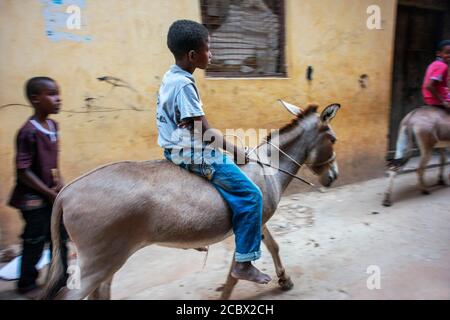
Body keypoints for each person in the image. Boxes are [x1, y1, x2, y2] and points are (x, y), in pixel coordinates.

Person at [156, 20, 271, 284]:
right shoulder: (185, 85)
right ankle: (244, 263)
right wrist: (237, 151)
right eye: (208, 49)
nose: (212, 54)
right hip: (191, 153)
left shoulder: (171, 76)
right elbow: (205, 132)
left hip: (172, 147)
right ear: (193, 56)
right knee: (251, 195)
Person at [8, 77, 69, 296]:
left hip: (51, 194)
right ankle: (27, 284)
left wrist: (61, 186)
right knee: (34, 241)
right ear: (35, 99)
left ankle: (60, 277)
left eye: (58, 93)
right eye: (52, 94)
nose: (58, 99)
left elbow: (53, 164)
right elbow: (23, 171)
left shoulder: (53, 126)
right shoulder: (28, 131)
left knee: (60, 237)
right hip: (32, 199)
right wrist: (46, 192)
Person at [422, 40, 450, 110]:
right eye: (447, 53)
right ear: (439, 53)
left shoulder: (434, 64)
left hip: (428, 98)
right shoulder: (442, 66)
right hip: (436, 99)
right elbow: (429, 86)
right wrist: (444, 102)